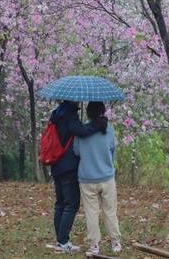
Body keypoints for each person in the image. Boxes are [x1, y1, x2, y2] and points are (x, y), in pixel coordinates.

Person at [48, 100, 108, 254]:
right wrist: (98, 124)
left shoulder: (57, 112)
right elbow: (80, 130)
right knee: (71, 204)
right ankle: (63, 241)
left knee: (60, 203)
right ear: (72, 98)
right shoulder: (69, 113)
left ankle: (60, 241)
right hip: (67, 165)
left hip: (56, 163)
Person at [73, 102, 122, 256]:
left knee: (91, 212)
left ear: (88, 113)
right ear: (102, 112)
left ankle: (94, 245)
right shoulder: (109, 129)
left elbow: (76, 152)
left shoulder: (81, 131)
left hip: (87, 178)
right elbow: (113, 149)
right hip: (106, 177)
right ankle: (115, 242)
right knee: (110, 210)